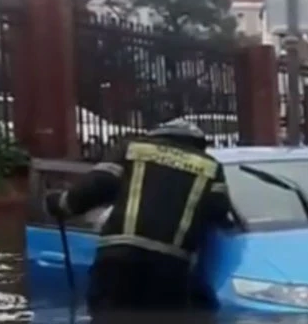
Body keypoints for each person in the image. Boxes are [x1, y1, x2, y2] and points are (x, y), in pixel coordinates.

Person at [44, 118, 236, 311]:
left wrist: (61, 203)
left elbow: (98, 186)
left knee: (111, 323)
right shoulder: (210, 166)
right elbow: (218, 211)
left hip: (119, 259)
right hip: (170, 266)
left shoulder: (132, 149)